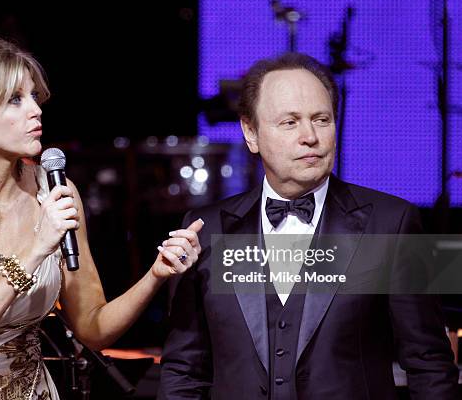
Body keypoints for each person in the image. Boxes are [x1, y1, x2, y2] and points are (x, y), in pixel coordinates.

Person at [0, 34, 203, 399]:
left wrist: (155, 274)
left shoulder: (57, 192)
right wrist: (35, 250)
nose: (36, 110)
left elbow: (93, 328)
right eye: (16, 100)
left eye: (34, 96)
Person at [158, 52, 459, 399]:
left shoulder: (395, 223)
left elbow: (430, 365)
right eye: (290, 122)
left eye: (321, 119)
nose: (310, 136)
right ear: (250, 132)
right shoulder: (206, 229)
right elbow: (182, 370)